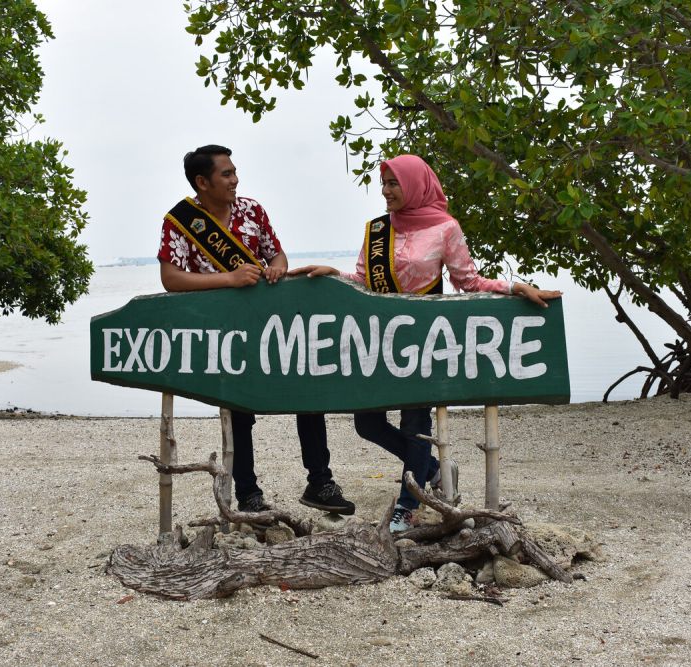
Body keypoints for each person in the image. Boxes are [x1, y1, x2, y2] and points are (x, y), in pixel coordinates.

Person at [289, 154, 561, 532]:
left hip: (423, 342)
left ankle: (407, 504)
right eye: (383, 184)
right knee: (366, 423)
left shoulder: (445, 228)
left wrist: (516, 288)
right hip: (378, 339)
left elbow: (470, 282)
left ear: (415, 183)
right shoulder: (377, 229)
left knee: (416, 424)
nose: (385, 191)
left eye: (393, 183)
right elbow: (365, 280)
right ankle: (433, 467)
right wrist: (334, 273)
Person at [157, 144, 354, 515]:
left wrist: (277, 267)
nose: (235, 179)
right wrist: (228, 278)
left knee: (306, 395)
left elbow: (275, 253)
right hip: (223, 333)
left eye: (234, 172)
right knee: (239, 412)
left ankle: (321, 483)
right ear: (202, 182)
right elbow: (171, 278)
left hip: (269, 325)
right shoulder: (180, 221)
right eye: (226, 174)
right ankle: (248, 495)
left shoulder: (251, 210)